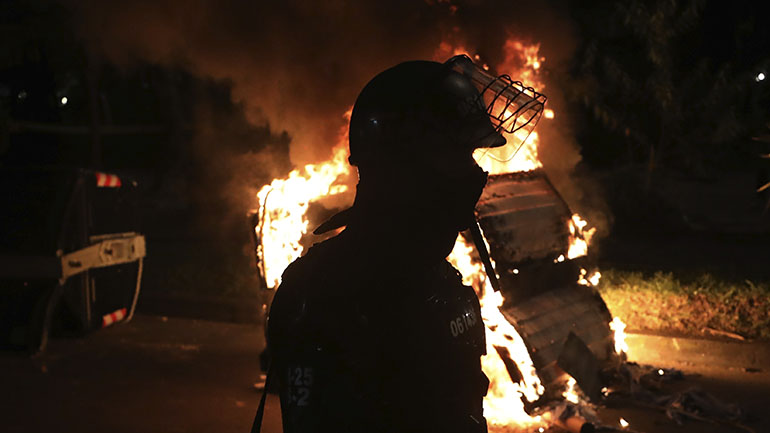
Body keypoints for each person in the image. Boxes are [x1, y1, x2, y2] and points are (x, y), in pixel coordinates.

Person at [266, 55, 543, 433]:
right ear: (402, 167)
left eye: (472, 157)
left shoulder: (439, 283)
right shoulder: (326, 298)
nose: (475, 175)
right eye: (458, 156)